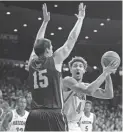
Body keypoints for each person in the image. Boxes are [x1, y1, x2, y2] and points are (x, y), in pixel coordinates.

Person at [25, 2, 86, 131]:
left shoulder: (32, 61)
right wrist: (80, 19)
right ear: (47, 50)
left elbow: (37, 43)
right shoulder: (54, 60)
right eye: (51, 48)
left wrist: (45, 22)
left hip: (34, 114)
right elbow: (72, 39)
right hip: (53, 113)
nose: (53, 49)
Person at [63, 56, 118, 131]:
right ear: (70, 70)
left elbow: (108, 94)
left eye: (80, 66)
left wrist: (107, 74)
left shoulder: (85, 86)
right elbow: (89, 91)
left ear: (84, 70)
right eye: (75, 66)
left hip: (75, 125)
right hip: (63, 124)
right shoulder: (67, 80)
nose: (78, 68)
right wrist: (105, 73)